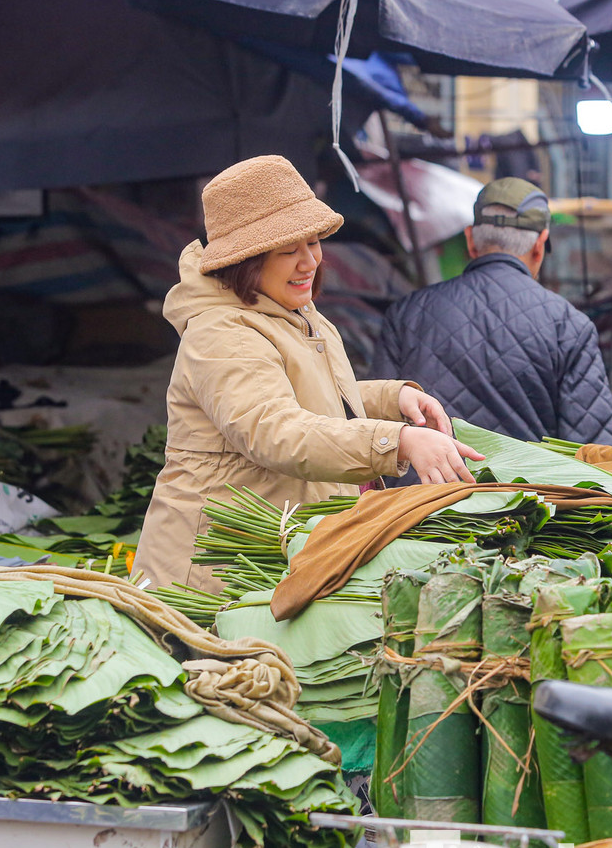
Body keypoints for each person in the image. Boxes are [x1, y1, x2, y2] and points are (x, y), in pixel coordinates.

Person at [135, 155, 481, 592]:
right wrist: (397, 441)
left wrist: (389, 400)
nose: (309, 262)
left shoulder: (288, 310)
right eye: (287, 251)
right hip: (213, 576)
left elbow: (297, 392)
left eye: (314, 242)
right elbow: (274, 428)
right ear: (246, 260)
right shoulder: (223, 331)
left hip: (270, 553)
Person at [370, 178, 612, 445]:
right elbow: (596, 451)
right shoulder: (569, 325)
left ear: (470, 240)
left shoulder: (407, 314)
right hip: (522, 487)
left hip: (425, 487)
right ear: (540, 244)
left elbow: (375, 420)